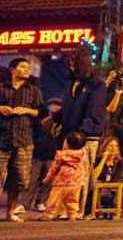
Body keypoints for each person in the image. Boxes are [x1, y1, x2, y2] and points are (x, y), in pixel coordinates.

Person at [53, 48, 107, 217]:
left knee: (81, 177)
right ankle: (62, 210)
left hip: (86, 137)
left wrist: (82, 132)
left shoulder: (97, 83)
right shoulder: (69, 83)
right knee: (65, 175)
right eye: (69, 62)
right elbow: (67, 108)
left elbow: (95, 112)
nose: (71, 65)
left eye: (74, 62)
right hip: (68, 136)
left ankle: (76, 210)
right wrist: (56, 118)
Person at [0, 57, 47, 222]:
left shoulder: (33, 91)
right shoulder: (2, 88)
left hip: (23, 139)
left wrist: (27, 110)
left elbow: (42, 112)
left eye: (28, 67)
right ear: (12, 69)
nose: (27, 70)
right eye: (22, 67)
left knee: (18, 178)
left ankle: (10, 212)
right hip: (2, 138)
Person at [16, 98, 62, 215]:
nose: (55, 107)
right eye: (52, 105)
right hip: (37, 153)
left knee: (48, 180)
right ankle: (24, 204)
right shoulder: (38, 120)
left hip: (52, 154)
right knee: (32, 180)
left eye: (57, 105)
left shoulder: (60, 122)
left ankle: (41, 201)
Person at [39, 131, 88, 221]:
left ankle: (48, 215)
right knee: (72, 200)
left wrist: (47, 179)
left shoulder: (61, 155)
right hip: (76, 182)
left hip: (62, 182)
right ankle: (72, 215)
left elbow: (54, 168)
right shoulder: (82, 154)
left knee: (54, 199)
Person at [89, 136, 123, 218]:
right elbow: (95, 176)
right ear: (105, 147)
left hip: (110, 188)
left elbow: (115, 179)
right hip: (97, 187)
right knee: (93, 182)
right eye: (110, 146)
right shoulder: (98, 159)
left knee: (108, 192)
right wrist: (104, 159)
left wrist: (106, 186)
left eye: (115, 146)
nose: (113, 148)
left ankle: (108, 210)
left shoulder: (120, 162)